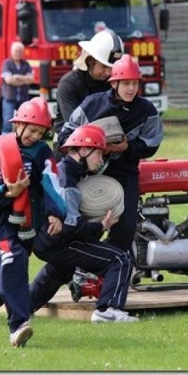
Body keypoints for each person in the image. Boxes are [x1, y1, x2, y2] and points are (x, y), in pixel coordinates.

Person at [0, 97, 62, 348]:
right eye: (32, 130)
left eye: (40, 132)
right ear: (18, 124)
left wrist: (56, 214)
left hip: (31, 221)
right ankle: (18, 326)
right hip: (2, 222)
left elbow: (52, 185)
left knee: (6, 275)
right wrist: (8, 192)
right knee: (14, 259)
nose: (35, 136)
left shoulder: (43, 152)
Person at [28, 124, 138, 323]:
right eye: (99, 153)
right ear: (84, 150)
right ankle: (107, 310)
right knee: (120, 259)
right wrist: (101, 226)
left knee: (61, 268)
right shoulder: (68, 179)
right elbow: (71, 226)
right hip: (60, 241)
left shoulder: (68, 172)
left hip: (46, 241)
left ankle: (23, 306)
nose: (101, 160)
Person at [58, 54, 164, 252]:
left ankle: (112, 268)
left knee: (125, 228)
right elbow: (65, 136)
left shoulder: (146, 110)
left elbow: (152, 143)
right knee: (86, 226)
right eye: (126, 83)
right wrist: (91, 146)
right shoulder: (92, 104)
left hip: (125, 174)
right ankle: (82, 273)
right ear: (114, 83)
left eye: (135, 83)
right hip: (89, 175)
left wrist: (127, 148)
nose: (131, 89)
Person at [52, 29, 124, 144]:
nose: (109, 73)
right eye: (104, 67)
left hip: (104, 145)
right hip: (70, 147)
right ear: (91, 61)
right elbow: (75, 125)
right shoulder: (69, 84)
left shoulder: (112, 83)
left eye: (113, 67)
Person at [0, 41, 34, 134]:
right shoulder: (6, 64)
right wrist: (24, 80)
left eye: (20, 51)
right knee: (7, 122)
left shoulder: (26, 64)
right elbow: (9, 80)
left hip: (23, 99)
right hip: (9, 99)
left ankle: (22, 139)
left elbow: (31, 79)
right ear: (11, 52)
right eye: (16, 51)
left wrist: (17, 77)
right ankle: (5, 142)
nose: (18, 53)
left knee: (24, 121)